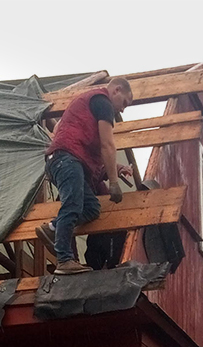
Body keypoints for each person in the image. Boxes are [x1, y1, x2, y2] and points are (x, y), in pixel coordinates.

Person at [35, 78, 134, 275]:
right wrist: (113, 182)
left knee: (92, 208)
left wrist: (116, 168)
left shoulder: (90, 111)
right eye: (124, 103)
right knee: (72, 205)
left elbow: (94, 156)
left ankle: (53, 227)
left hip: (69, 160)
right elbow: (107, 144)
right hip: (66, 159)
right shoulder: (102, 101)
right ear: (116, 90)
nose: (123, 110)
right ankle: (64, 260)